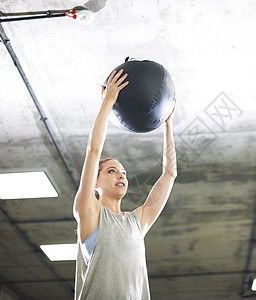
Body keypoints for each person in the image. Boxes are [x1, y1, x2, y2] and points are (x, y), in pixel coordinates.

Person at [73, 69, 177, 299]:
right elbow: (93, 150)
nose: (121, 176)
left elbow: (169, 173)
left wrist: (168, 125)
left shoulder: (138, 222)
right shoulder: (89, 211)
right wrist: (108, 101)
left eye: (123, 172)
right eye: (112, 171)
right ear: (96, 182)